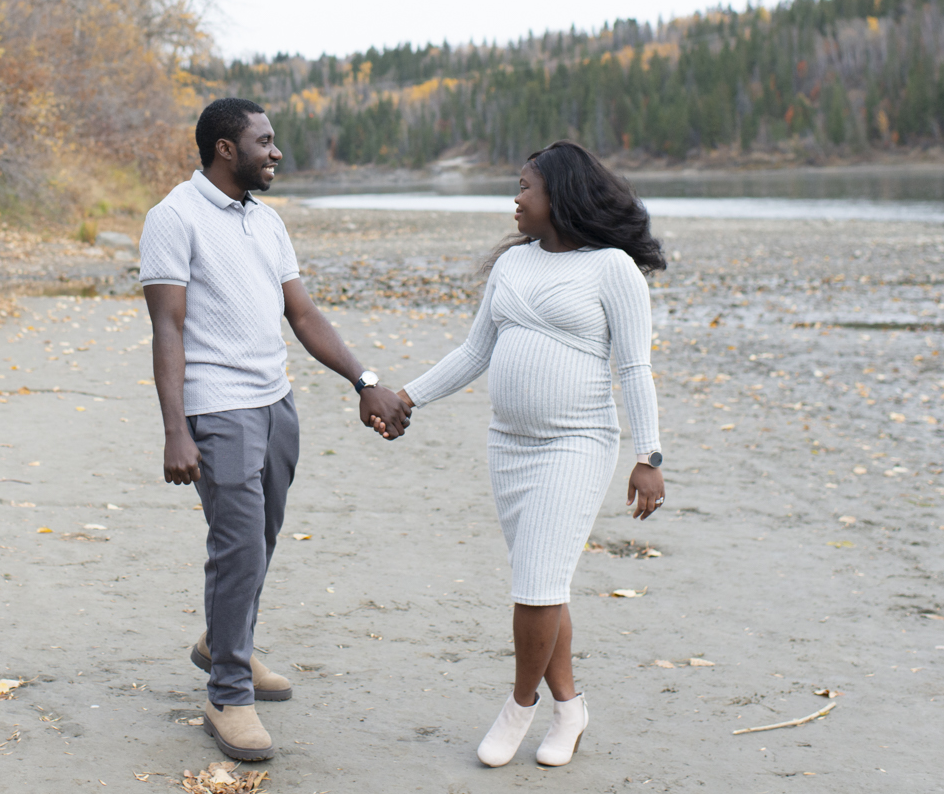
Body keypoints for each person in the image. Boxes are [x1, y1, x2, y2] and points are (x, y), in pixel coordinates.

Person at [141, 98, 412, 763]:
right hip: (217, 408)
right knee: (237, 547)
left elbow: (304, 313)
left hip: (276, 404)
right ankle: (228, 694)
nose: (276, 151)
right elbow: (167, 327)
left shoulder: (266, 220)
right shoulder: (174, 216)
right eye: (264, 141)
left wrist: (364, 380)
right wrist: (176, 430)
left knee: (258, 541)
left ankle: (222, 642)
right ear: (225, 148)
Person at [392, 141, 667, 768]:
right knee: (543, 582)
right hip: (509, 446)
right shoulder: (513, 264)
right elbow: (473, 353)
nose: (515, 198)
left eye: (524, 187)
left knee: (536, 586)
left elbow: (635, 368)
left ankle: (519, 706)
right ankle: (570, 709)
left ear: (559, 195)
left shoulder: (612, 269)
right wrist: (405, 398)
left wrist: (649, 456)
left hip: (576, 444)